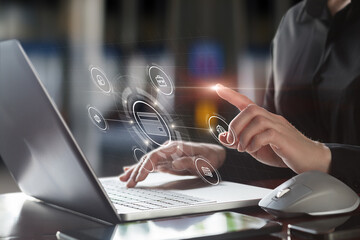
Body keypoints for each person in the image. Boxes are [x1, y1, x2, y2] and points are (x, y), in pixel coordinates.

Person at [120, 0, 360, 192]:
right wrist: (220, 158)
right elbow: (283, 159)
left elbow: (310, 155)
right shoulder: (294, 23)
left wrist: (322, 157)